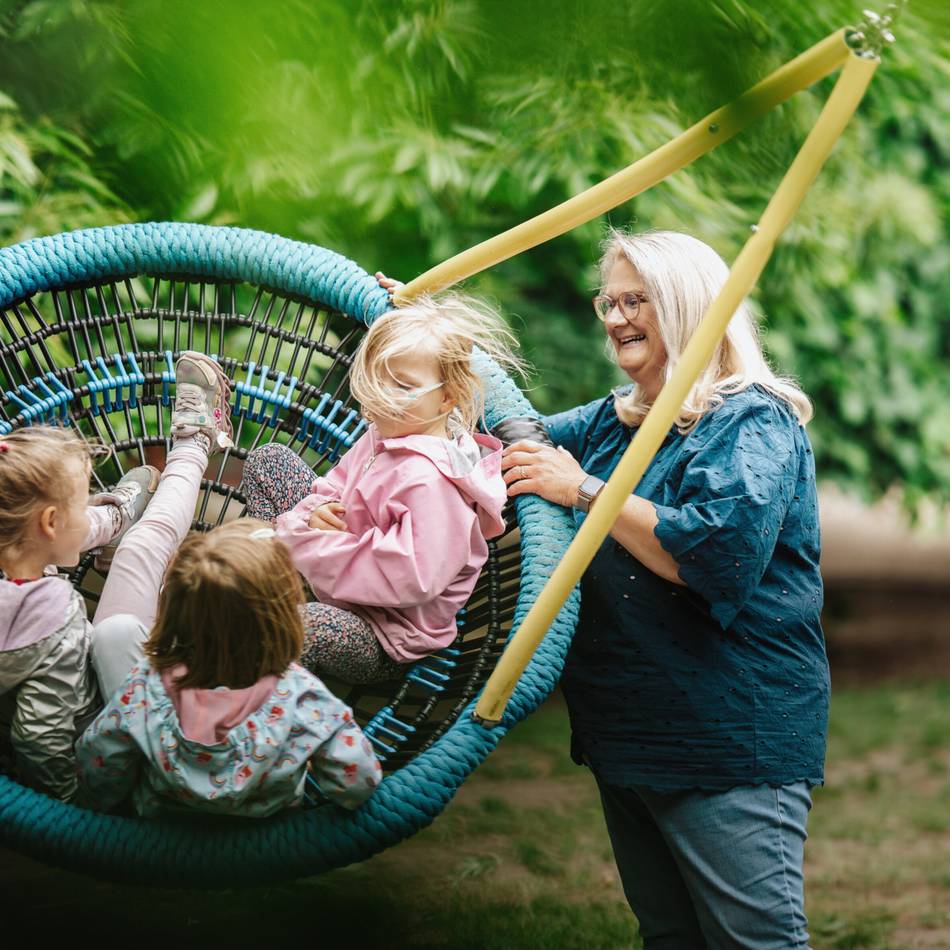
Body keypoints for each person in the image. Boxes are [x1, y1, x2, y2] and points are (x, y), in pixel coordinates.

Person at [501, 230, 829, 947]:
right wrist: (402, 319)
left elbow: (717, 556)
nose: (616, 318)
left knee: (755, 942)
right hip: (631, 735)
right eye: (608, 301)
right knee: (671, 938)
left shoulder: (750, 417)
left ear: (685, 306)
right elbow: (498, 437)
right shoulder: (612, 420)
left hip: (724, 740)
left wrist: (584, 489)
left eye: (635, 300)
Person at [75, 352, 381, 817]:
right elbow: (357, 782)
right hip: (267, 821)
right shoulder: (300, 697)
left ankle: (178, 463)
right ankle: (190, 451)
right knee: (139, 561)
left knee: (118, 627)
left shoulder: (146, 691)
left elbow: (101, 773)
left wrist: (117, 810)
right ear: (287, 620)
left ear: (171, 620)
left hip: (159, 816)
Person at [243, 293, 520, 684]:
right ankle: (266, 583)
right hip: (328, 567)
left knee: (310, 627)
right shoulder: (385, 433)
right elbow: (334, 485)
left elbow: (408, 578)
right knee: (268, 461)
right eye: (377, 378)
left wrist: (296, 540)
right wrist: (314, 511)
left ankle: (246, 679)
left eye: (402, 385)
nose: (381, 396)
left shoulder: (432, 482)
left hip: (382, 632)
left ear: (447, 399)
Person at [0, 425, 159, 801]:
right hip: (89, 742)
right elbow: (40, 733)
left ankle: (117, 516)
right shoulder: (56, 616)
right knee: (125, 634)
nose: (83, 515)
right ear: (52, 522)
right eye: (82, 506)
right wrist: (72, 804)